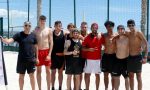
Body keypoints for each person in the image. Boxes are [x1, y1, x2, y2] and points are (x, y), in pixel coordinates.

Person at [1, 21, 38, 90]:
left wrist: (37, 58)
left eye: (29, 25)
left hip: (31, 60)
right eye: (26, 25)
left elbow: (36, 47)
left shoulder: (33, 35)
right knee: (21, 76)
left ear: (31, 27)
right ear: (23, 26)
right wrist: (4, 40)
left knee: (32, 76)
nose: (27, 27)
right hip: (21, 60)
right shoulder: (19, 35)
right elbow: (9, 41)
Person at [126, 19, 148, 90]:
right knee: (131, 77)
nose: (131, 26)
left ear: (134, 25)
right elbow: (119, 34)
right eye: (129, 25)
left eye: (132, 25)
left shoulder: (138, 33)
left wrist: (145, 57)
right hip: (130, 57)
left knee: (138, 76)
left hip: (138, 57)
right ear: (128, 26)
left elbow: (146, 43)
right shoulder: (128, 33)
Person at [34, 15, 53, 90]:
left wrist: (49, 54)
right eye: (41, 20)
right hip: (38, 52)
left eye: (43, 20)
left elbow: (51, 42)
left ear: (45, 21)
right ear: (39, 20)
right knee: (38, 71)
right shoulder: (35, 30)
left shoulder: (48, 30)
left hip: (46, 51)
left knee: (48, 71)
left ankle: (48, 88)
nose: (42, 21)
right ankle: (39, 88)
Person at [82, 23, 104, 90]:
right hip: (89, 59)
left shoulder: (101, 36)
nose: (94, 29)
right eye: (93, 28)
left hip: (97, 59)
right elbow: (82, 48)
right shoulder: (87, 37)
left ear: (97, 28)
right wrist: (89, 49)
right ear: (91, 28)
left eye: (96, 28)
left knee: (97, 75)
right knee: (87, 75)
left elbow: (106, 43)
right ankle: (87, 88)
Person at [112, 25, 129, 90]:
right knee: (116, 78)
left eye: (122, 29)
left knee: (126, 78)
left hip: (125, 60)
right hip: (117, 60)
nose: (120, 30)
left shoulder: (128, 38)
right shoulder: (116, 39)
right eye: (119, 29)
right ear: (117, 30)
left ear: (124, 30)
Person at [51, 21, 66, 90]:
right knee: (53, 72)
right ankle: (53, 87)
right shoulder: (51, 33)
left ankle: (60, 87)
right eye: (57, 26)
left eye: (59, 26)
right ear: (54, 26)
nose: (58, 27)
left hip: (61, 56)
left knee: (60, 73)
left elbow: (74, 32)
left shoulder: (64, 33)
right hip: (53, 56)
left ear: (61, 26)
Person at [101, 21, 116, 90]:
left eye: (110, 26)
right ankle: (106, 88)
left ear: (113, 27)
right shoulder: (103, 35)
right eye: (107, 26)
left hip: (113, 57)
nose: (108, 28)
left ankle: (113, 88)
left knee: (113, 75)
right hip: (105, 56)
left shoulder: (117, 35)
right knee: (105, 74)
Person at [79, 21, 88, 89]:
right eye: (82, 27)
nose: (84, 28)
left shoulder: (90, 35)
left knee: (87, 74)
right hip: (79, 57)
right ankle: (78, 87)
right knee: (79, 73)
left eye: (85, 27)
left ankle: (86, 88)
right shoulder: (77, 34)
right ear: (80, 27)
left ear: (87, 28)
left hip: (88, 57)